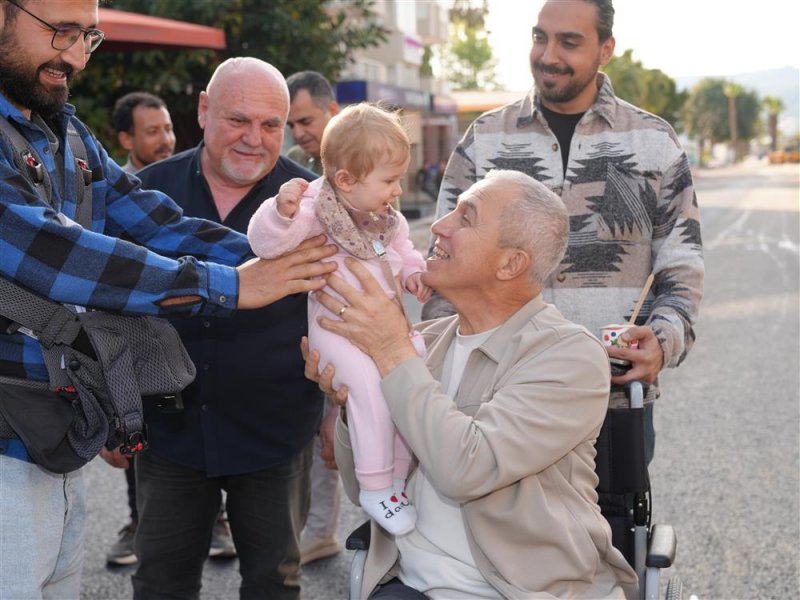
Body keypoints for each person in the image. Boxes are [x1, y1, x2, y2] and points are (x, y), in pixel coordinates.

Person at [0, 2, 335, 598]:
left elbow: (158, 224)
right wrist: (235, 285)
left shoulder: (66, 134)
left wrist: (290, 260)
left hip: (54, 433)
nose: (76, 55)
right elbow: (56, 254)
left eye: (88, 36)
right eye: (61, 32)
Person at [307, 169, 638, 598]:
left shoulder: (571, 356)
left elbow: (467, 469)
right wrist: (354, 401)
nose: (440, 226)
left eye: (466, 218)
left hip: (517, 590)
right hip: (408, 582)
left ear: (510, 263)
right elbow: (363, 488)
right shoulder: (425, 342)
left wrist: (390, 352)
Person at [423, 0, 704, 463]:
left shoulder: (654, 143)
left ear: (605, 49)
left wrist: (662, 342)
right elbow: (442, 262)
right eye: (540, 37)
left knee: (612, 535)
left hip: (612, 402)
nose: (548, 54)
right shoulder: (484, 139)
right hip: (491, 402)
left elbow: (682, 265)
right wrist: (438, 371)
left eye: (569, 42)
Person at [130, 57, 328, 600]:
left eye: (271, 125)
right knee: (159, 582)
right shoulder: (143, 195)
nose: (255, 139)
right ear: (202, 111)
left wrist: (341, 409)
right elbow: (110, 310)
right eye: (238, 120)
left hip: (277, 433)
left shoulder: (317, 206)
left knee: (274, 582)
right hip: (169, 434)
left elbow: (343, 314)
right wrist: (110, 404)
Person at [249, 102, 430, 536]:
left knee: (415, 373)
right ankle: (374, 485)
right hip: (337, 329)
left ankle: (397, 479)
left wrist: (413, 272)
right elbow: (265, 243)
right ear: (346, 180)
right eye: (389, 180)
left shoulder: (385, 219)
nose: (398, 190)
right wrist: (279, 213)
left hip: (384, 327)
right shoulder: (314, 210)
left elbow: (403, 251)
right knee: (369, 387)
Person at [284, 69, 344, 565]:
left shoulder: (357, 172)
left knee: (343, 429)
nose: (299, 132)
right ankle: (318, 529)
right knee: (323, 433)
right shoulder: (304, 176)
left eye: (305, 119)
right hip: (315, 327)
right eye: (293, 124)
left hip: (353, 327)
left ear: (332, 111)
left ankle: (328, 530)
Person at [285, 70, 339, 176]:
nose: (297, 134)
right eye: (290, 125)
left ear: (332, 111)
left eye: (305, 122)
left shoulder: (367, 158)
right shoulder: (295, 159)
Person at [111, 90, 175, 174]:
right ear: (126, 140)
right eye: (153, 131)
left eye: (168, 129)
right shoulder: (116, 185)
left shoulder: (190, 178)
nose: (166, 140)